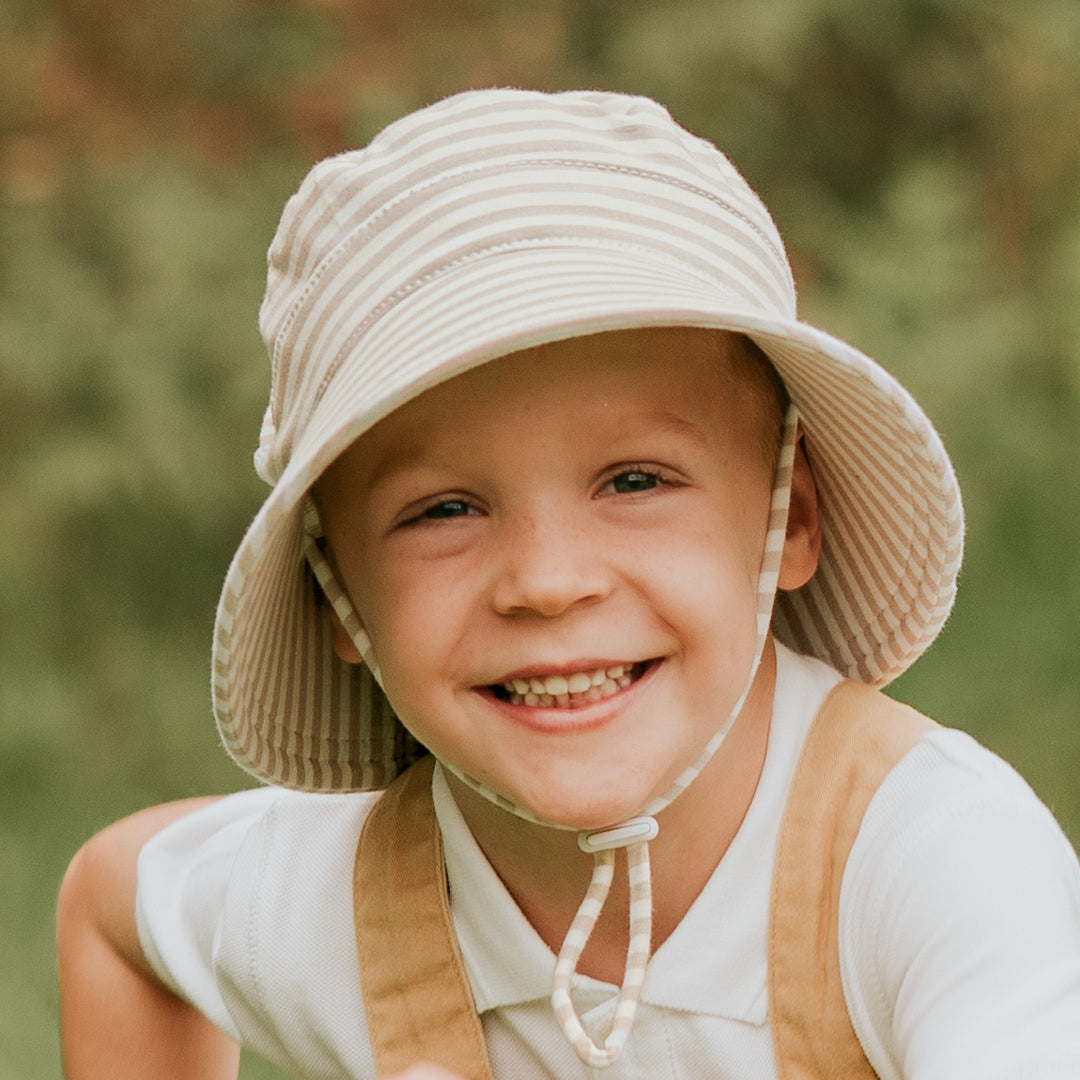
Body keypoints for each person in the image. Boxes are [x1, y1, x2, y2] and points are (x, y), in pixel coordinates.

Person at [56, 88, 1080, 1080]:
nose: (547, 582)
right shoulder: (335, 904)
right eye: (444, 510)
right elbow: (113, 908)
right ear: (337, 597)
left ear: (792, 518)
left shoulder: (936, 867)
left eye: (635, 481)